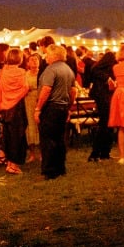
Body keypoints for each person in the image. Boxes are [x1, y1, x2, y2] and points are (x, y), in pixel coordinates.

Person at [34, 43, 75, 179]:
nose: (45, 57)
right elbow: (73, 90)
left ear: (53, 55)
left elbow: (46, 89)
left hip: (51, 107)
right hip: (63, 107)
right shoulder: (68, 70)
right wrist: (69, 107)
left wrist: (38, 108)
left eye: (47, 54)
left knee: (48, 139)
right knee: (59, 139)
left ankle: (49, 171)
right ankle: (60, 168)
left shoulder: (51, 70)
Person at [0, 48, 30, 174]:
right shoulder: (21, 72)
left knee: (8, 135)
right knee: (17, 136)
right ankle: (13, 165)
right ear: (19, 58)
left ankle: (9, 161)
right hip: (17, 108)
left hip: (5, 107)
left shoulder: (3, 71)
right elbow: (25, 88)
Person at [86, 50, 117, 162]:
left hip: (106, 99)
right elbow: (94, 70)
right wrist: (108, 78)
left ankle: (105, 153)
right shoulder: (98, 70)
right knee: (104, 125)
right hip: (104, 100)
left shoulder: (100, 69)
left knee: (108, 126)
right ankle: (95, 153)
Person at [23, 51, 41, 150]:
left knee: (39, 124)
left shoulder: (42, 73)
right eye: (32, 60)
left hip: (39, 99)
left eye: (36, 59)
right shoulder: (25, 74)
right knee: (30, 124)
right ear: (28, 63)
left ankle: (42, 152)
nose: (34, 61)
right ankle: (32, 152)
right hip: (28, 99)